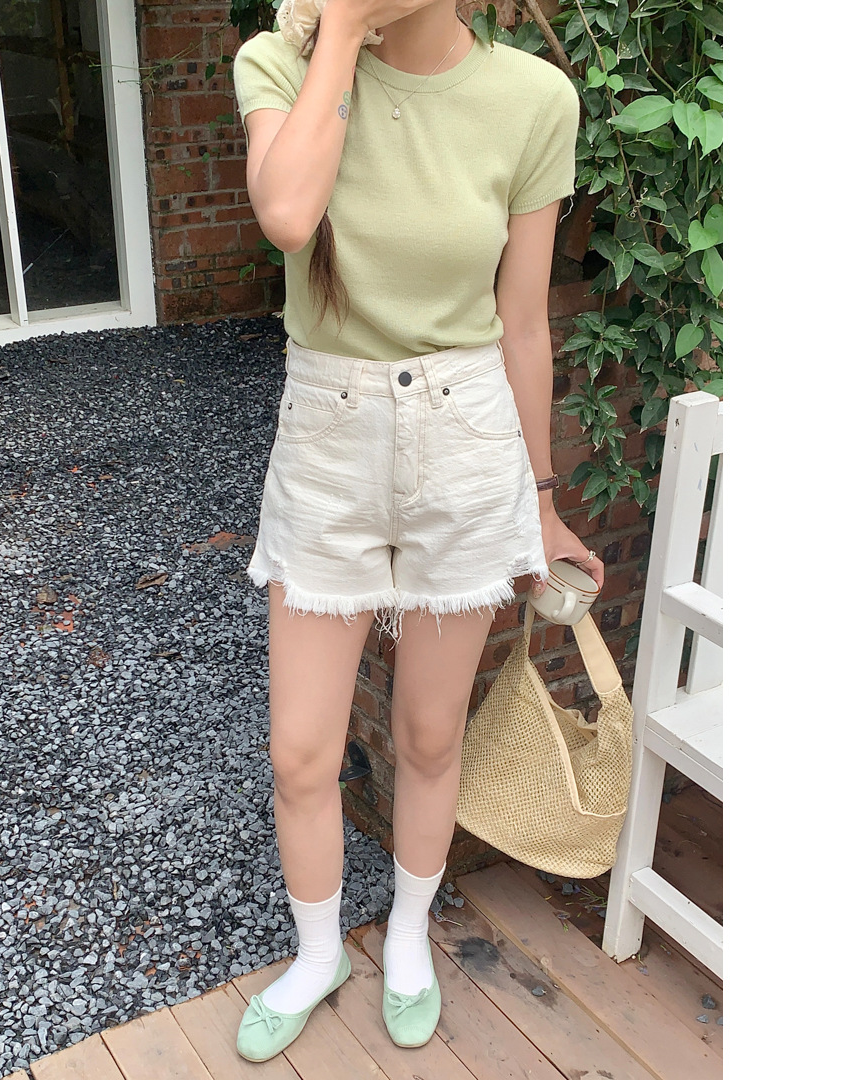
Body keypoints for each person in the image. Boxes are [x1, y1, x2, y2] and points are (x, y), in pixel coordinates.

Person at [230, 0, 605, 1061]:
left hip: (467, 439)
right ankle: (317, 954)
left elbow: (524, 323)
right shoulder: (279, 62)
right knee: (301, 751)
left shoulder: (533, 99)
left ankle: (406, 937)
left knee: (433, 735)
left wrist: (541, 500)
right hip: (327, 439)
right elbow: (287, 215)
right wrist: (342, 33)